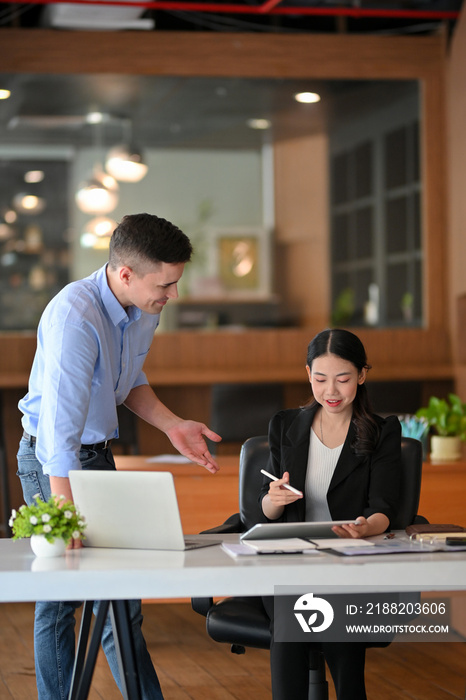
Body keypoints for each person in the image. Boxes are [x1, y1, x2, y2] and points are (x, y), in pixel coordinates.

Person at [17, 212, 222, 700]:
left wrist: (172, 425)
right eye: (166, 284)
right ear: (125, 273)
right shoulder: (76, 316)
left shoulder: (143, 308)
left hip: (94, 457)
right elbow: (59, 431)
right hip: (55, 463)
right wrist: (63, 506)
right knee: (61, 598)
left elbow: (124, 385)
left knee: (120, 596)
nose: (172, 295)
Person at [259, 328, 401, 700]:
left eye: (343, 379)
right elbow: (265, 509)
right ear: (308, 374)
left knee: (336, 612)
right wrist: (275, 498)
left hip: (350, 563)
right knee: (293, 608)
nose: (331, 391)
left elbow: (384, 509)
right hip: (292, 564)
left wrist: (364, 527)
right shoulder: (285, 425)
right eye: (320, 379)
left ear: (362, 375)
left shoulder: (382, 432)